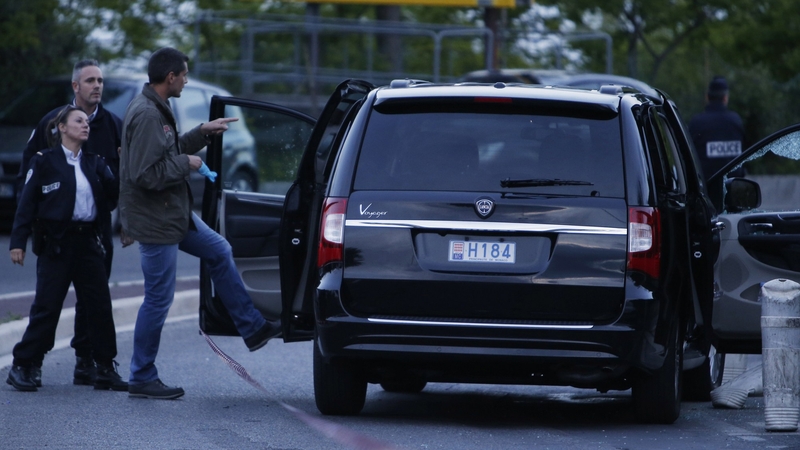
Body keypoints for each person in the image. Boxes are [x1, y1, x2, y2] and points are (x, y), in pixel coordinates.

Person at [119, 47, 281, 400]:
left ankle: (252, 329)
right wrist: (188, 164)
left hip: (172, 213)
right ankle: (141, 375)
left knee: (220, 250)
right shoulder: (147, 113)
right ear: (171, 77)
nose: (187, 80)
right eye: (184, 75)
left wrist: (202, 133)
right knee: (158, 300)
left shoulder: (155, 107)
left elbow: (167, 149)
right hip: (156, 220)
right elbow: (145, 174)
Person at [16, 59, 123, 386]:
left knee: (97, 304)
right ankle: (26, 364)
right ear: (76, 86)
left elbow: (122, 180)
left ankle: (93, 363)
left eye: (101, 80)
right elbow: (29, 182)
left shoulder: (112, 126)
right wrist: (27, 233)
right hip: (57, 237)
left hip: (95, 233)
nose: (97, 86)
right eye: (90, 80)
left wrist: (124, 219)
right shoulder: (51, 126)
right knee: (48, 305)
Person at [689, 76, 746, 180]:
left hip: (705, 188)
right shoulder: (736, 121)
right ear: (725, 98)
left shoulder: (696, 122)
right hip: (733, 187)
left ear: (707, 97)